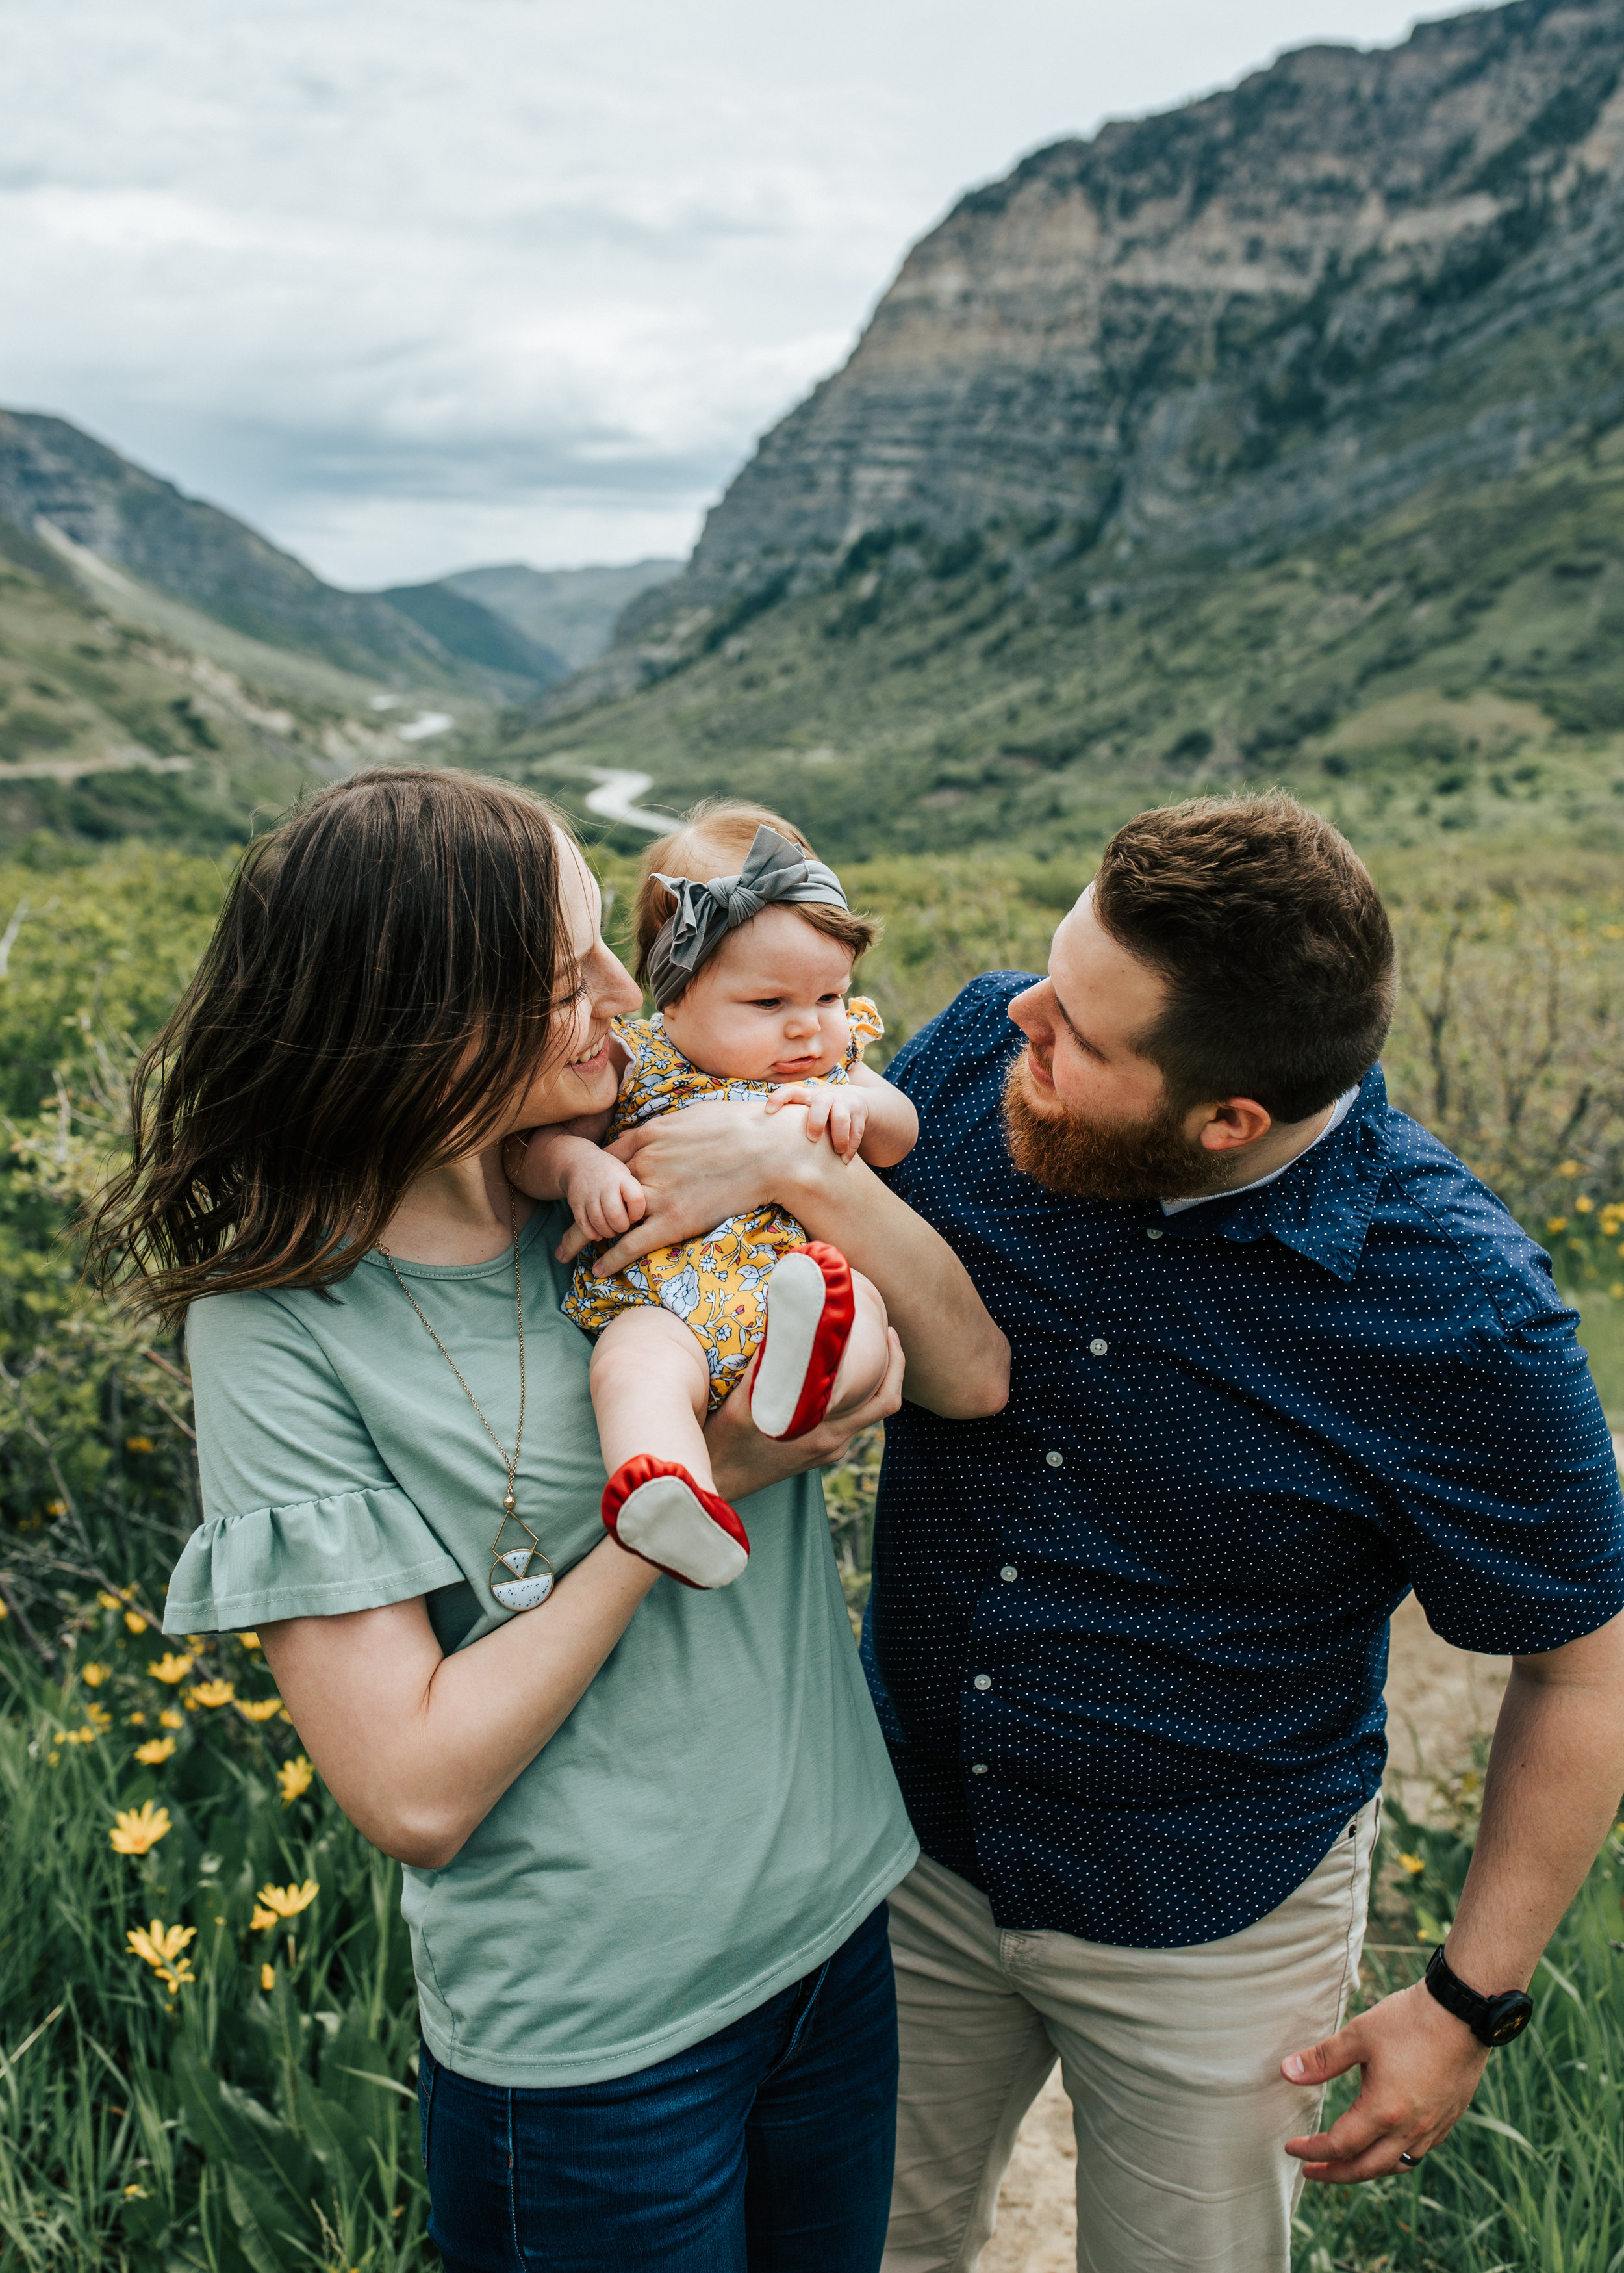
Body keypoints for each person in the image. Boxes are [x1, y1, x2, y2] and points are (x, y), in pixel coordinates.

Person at [88, 767, 1009, 2273]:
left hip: (835, 1922)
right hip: (594, 2038)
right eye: (558, 969)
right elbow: (415, 1788)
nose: (611, 992)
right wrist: (702, 1487)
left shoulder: (655, 1156)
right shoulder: (288, 1328)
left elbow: (969, 1374)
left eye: (603, 945)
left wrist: (788, 1159)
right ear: (420, 1013)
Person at [855, 790, 1624, 2273]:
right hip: (904, 1856)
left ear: (1227, 1120)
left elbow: (1583, 1671)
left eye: (1077, 1029)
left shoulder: (1462, 1315)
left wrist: (1465, 2001)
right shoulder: (970, 1054)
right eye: (1050, 972)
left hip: (1213, 1916)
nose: (1017, 1015)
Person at [514, 801, 919, 1591]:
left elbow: (899, 1134)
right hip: (668, 1307)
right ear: (674, 997)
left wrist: (860, 1106)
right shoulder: (634, 1065)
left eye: (829, 998)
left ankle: (804, 1380)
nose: (808, 1030)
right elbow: (532, 1156)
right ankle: (668, 1488)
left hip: (800, 1286)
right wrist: (578, 1169)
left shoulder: (834, 1069)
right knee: (631, 1368)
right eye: (769, 1006)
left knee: (860, 1307)